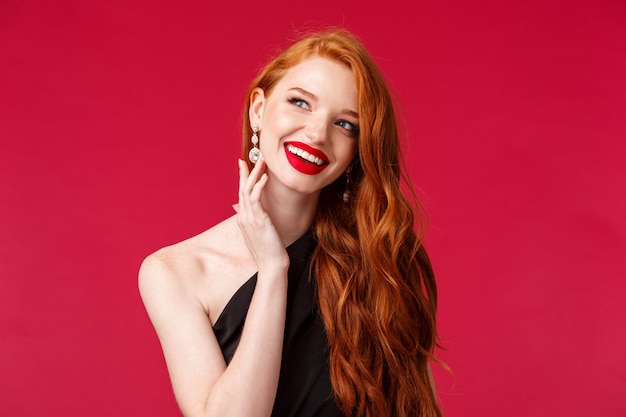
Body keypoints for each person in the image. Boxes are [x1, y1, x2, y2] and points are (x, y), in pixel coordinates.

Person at [139, 29, 442, 417]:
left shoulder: (381, 258)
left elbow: (420, 408)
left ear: (356, 152)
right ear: (259, 109)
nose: (317, 133)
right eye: (300, 102)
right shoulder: (173, 272)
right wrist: (272, 269)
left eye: (345, 124)